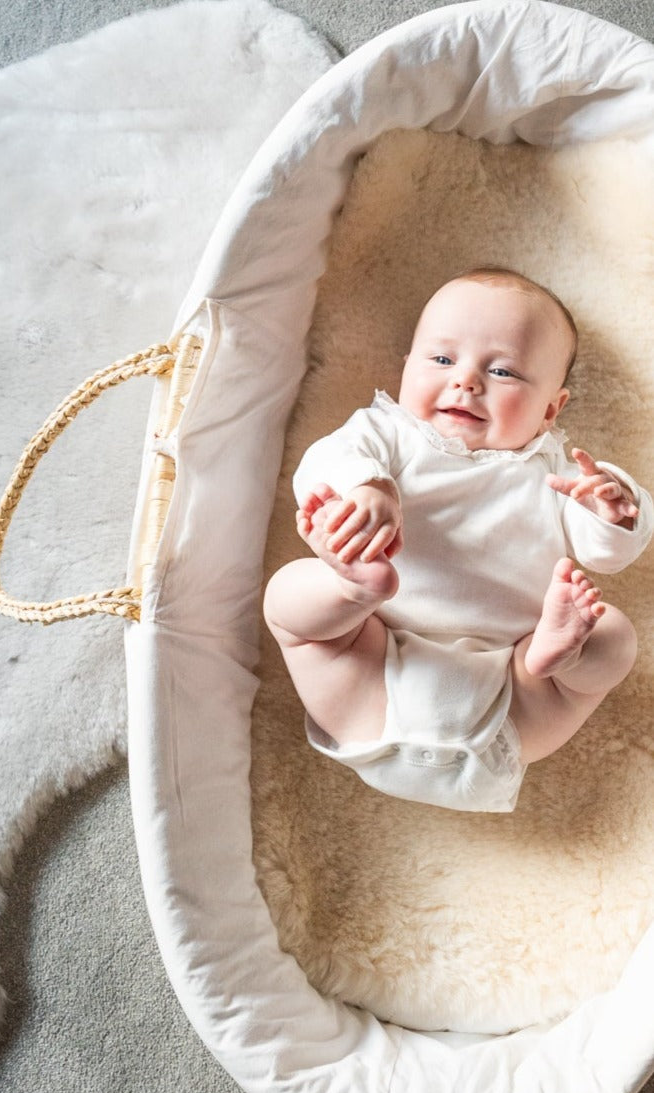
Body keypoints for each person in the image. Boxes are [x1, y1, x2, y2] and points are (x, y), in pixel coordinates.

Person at [263, 267, 653, 812]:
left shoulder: (557, 470)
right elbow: (323, 464)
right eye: (442, 360)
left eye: (503, 371)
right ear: (406, 368)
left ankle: (554, 657)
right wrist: (369, 487)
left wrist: (613, 509)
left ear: (550, 409)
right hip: (373, 668)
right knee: (289, 595)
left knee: (612, 638)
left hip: (513, 697)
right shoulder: (387, 433)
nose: (466, 381)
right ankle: (357, 590)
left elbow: (605, 554)